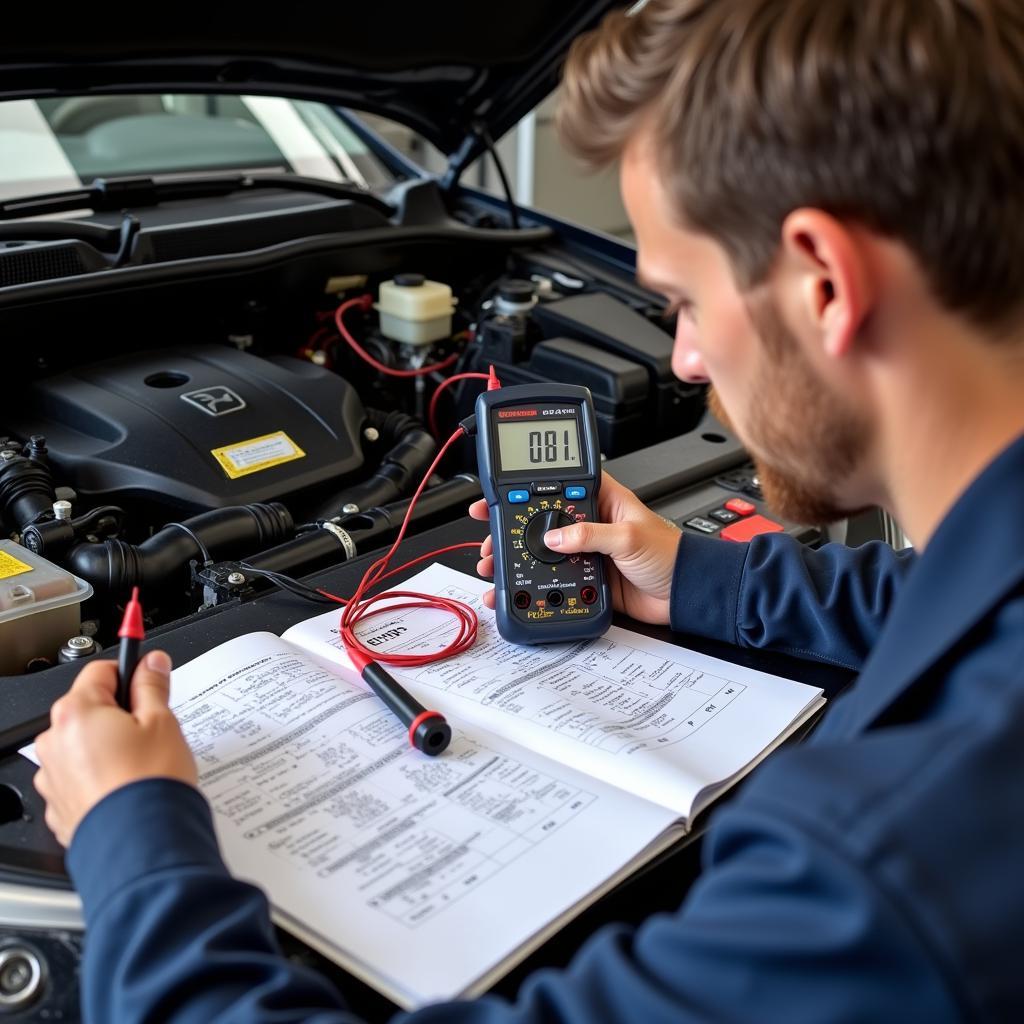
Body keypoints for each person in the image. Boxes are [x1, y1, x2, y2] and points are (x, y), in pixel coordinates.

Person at [32, 0, 1024, 1020]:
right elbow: (950, 598)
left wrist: (135, 840)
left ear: (823, 280)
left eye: (681, 300)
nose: (681, 359)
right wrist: (700, 576)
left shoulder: (891, 868)